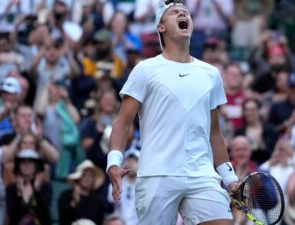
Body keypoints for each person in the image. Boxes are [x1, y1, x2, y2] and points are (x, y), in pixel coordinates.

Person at [106, 1, 238, 225]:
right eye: (174, 12)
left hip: (202, 175)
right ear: (161, 27)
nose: (182, 13)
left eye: (185, 12)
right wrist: (113, 162)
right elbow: (122, 123)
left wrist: (230, 178)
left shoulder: (211, 74)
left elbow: (214, 132)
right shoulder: (145, 70)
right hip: (157, 175)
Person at [6, 148, 52, 225]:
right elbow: (12, 217)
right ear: (18, 166)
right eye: (23, 162)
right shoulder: (11, 188)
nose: (26, 165)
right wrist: (24, 198)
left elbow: (45, 216)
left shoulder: (45, 186)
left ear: (36, 165)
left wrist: (36, 190)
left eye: (30, 162)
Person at [58, 160, 105, 225]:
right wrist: (74, 202)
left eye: (90, 176)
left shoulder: (97, 201)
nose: (87, 178)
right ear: (78, 177)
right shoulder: (66, 196)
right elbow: (64, 221)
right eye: (84, 174)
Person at [108, 149, 139, 225]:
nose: (130, 163)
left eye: (134, 161)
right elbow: (111, 199)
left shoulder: (143, 185)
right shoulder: (117, 182)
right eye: (128, 160)